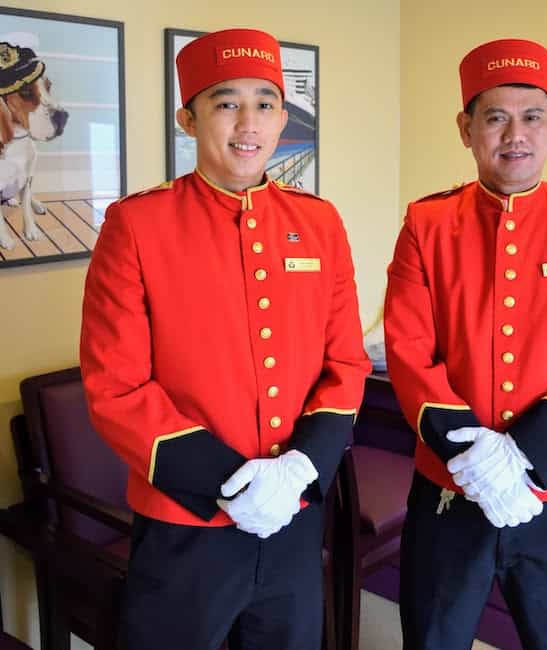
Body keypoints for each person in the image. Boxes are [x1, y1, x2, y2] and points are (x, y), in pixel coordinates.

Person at [80, 27, 370, 650]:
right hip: (186, 524)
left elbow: (344, 360)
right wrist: (228, 483)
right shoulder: (136, 225)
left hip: (294, 514)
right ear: (188, 119)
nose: (249, 122)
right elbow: (116, 387)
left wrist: (299, 469)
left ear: (282, 116)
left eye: (265, 103)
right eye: (225, 102)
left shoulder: (319, 223)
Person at [384, 38, 547, 650]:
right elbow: (408, 349)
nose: (515, 135)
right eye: (495, 117)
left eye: (531, 117)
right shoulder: (428, 224)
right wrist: (478, 464)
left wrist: (523, 458)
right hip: (452, 489)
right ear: (466, 128)